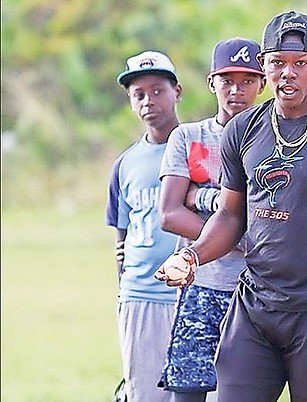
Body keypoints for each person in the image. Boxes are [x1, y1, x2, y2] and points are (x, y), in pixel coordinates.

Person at [155, 10, 307, 402]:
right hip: (255, 306)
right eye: (278, 62)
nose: (289, 73)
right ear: (264, 65)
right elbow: (232, 215)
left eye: (300, 63)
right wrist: (194, 257)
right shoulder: (243, 129)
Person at [156, 38, 266, 402]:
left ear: (262, 83)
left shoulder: (274, 140)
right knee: (188, 390)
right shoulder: (189, 136)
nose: (237, 91)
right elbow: (170, 213)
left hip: (256, 289)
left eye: (247, 81)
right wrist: (231, 236)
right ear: (211, 82)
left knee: (244, 391)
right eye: (227, 80)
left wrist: (200, 196)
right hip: (202, 283)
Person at [105, 50, 182, 402]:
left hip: (194, 293)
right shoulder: (126, 164)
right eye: (139, 94)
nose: (149, 101)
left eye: (157, 90)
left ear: (176, 92)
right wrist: (127, 289)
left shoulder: (201, 147)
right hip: (143, 296)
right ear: (130, 102)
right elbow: (121, 239)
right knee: (147, 394)